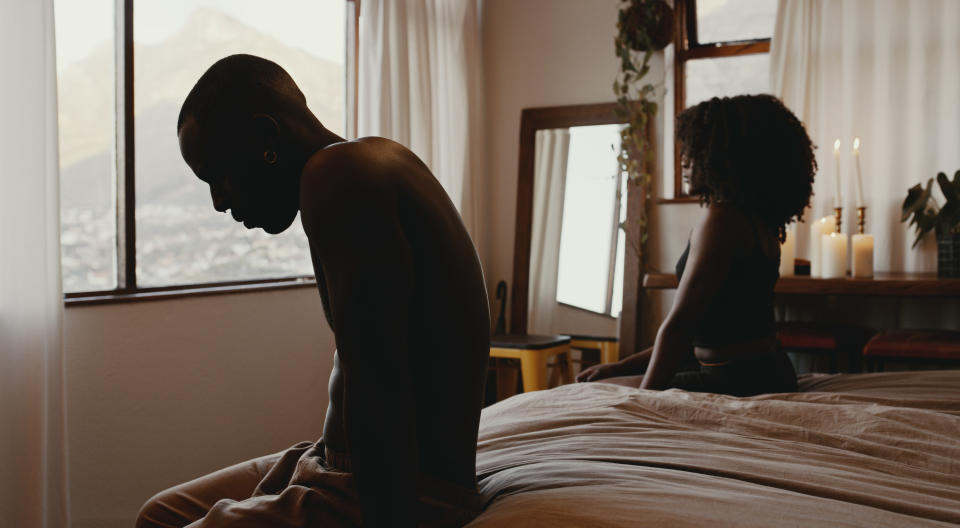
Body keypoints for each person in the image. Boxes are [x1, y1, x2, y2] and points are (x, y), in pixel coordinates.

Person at [136, 54, 490, 527]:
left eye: (219, 175)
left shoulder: (341, 175)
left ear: (266, 141)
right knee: (159, 512)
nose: (219, 202)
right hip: (328, 462)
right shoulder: (357, 164)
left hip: (387, 489)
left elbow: (378, 382)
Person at [578, 94, 815, 397]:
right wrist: (621, 366)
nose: (684, 160)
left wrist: (643, 401)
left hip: (733, 382)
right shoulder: (759, 221)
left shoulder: (722, 221)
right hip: (768, 372)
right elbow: (703, 334)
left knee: (594, 393)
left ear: (726, 157)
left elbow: (680, 327)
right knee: (607, 381)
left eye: (696, 150)